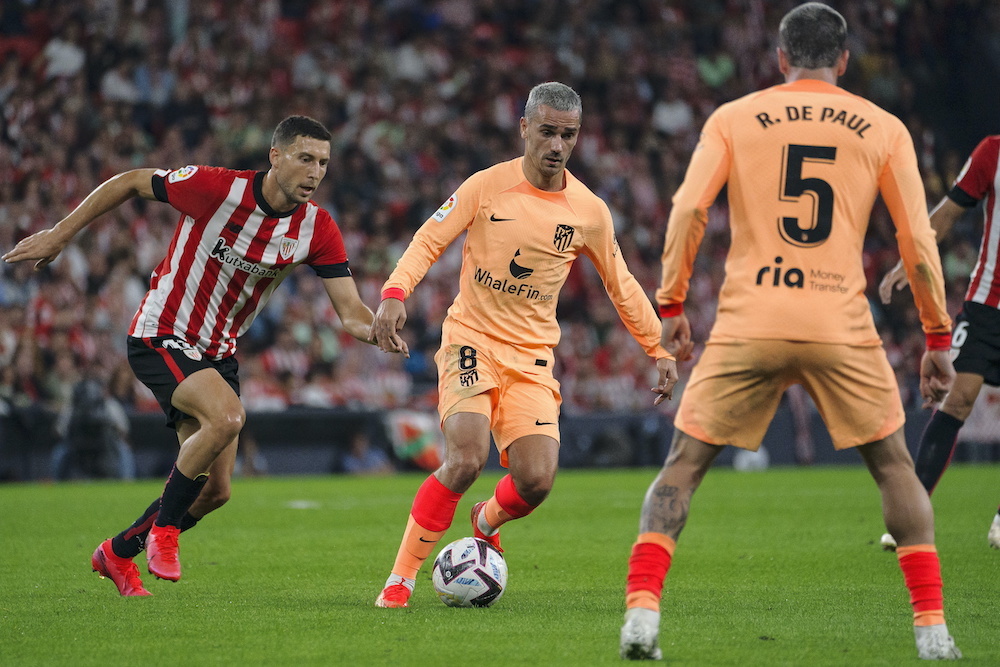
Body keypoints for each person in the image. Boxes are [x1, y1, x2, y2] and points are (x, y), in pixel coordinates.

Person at [619, 4, 961, 661]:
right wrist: (937, 338)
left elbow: (689, 208)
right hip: (839, 318)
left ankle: (641, 616)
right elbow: (917, 241)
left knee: (682, 467)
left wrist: (670, 302)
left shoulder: (734, 118)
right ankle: (933, 630)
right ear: (843, 61)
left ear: (780, 58)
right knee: (894, 467)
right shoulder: (885, 128)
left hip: (752, 317)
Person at [3, 115, 406, 596]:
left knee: (217, 491)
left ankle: (116, 553)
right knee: (228, 417)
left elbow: (350, 313)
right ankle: (164, 534)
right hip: (163, 332)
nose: (315, 172)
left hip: (218, 353)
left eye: (323, 162)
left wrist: (377, 330)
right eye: (305, 159)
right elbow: (132, 181)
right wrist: (61, 234)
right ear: (275, 156)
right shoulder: (216, 188)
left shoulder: (316, 228)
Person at [369, 81, 679, 609]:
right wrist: (396, 292)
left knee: (536, 479)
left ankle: (485, 519)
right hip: (471, 339)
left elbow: (620, 283)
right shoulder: (487, 186)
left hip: (532, 359)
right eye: (548, 132)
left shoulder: (588, 210)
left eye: (569, 135)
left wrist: (659, 347)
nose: (557, 145)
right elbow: (429, 238)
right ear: (525, 129)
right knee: (466, 458)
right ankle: (401, 578)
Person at [879, 134, 1000, 551]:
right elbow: (946, 214)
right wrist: (908, 259)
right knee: (959, 398)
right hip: (989, 302)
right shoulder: (991, 151)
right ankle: (910, 513)